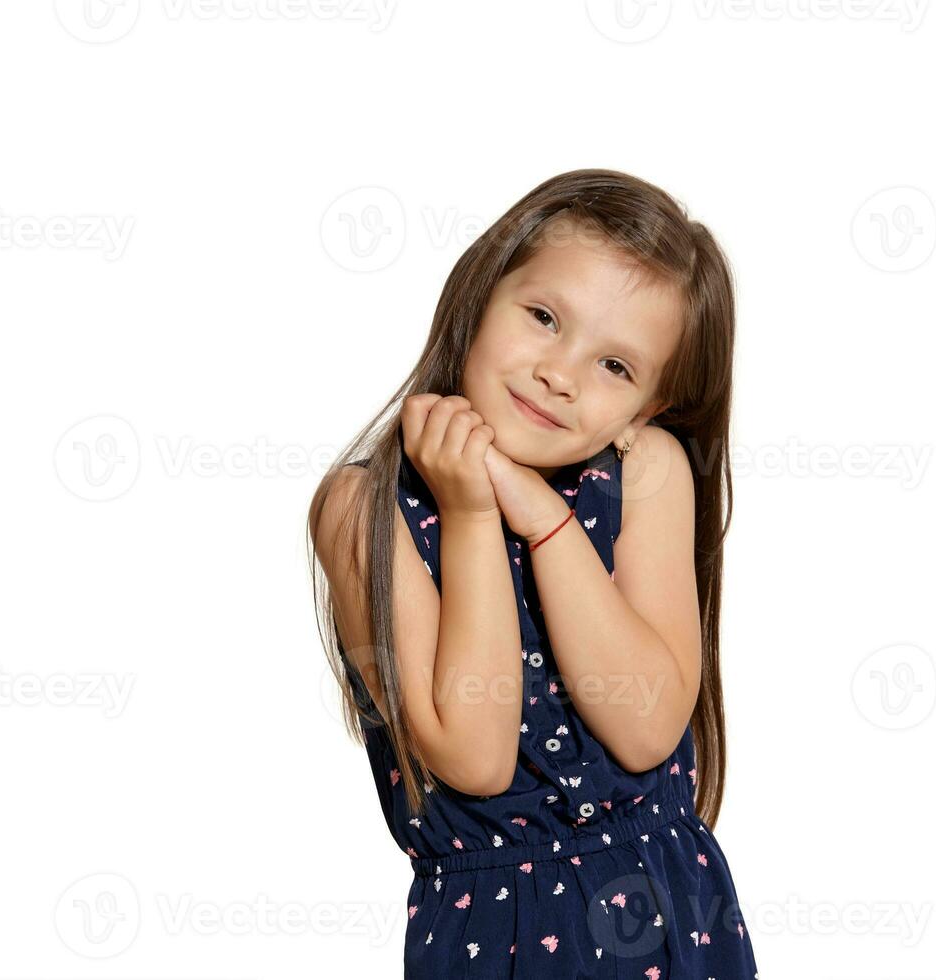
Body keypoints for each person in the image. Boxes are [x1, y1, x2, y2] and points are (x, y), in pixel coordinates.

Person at [307, 168, 758, 978]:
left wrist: (543, 518)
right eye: (545, 318)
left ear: (645, 411)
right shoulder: (361, 509)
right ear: (481, 293)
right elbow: (476, 758)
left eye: (616, 367)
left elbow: (646, 725)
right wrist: (475, 513)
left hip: (666, 919)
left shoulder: (645, 472)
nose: (562, 372)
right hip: (493, 938)